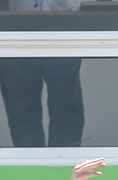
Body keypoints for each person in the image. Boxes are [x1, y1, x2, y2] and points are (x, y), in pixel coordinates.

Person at [0, 0, 84, 147]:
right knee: (22, 111)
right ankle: (31, 166)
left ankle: (64, 165)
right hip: (15, 30)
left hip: (63, 29)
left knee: (66, 109)